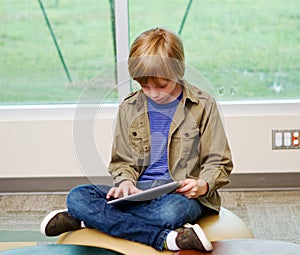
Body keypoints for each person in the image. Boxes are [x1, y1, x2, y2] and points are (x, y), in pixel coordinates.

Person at [40, 27, 233, 252]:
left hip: (180, 197)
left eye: (162, 85)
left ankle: (88, 220)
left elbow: (219, 161)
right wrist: (125, 183)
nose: (154, 93)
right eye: (144, 85)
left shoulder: (203, 105)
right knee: (78, 196)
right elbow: (122, 161)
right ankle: (166, 239)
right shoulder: (129, 107)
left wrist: (202, 185)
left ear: (179, 71)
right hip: (138, 193)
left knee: (169, 213)